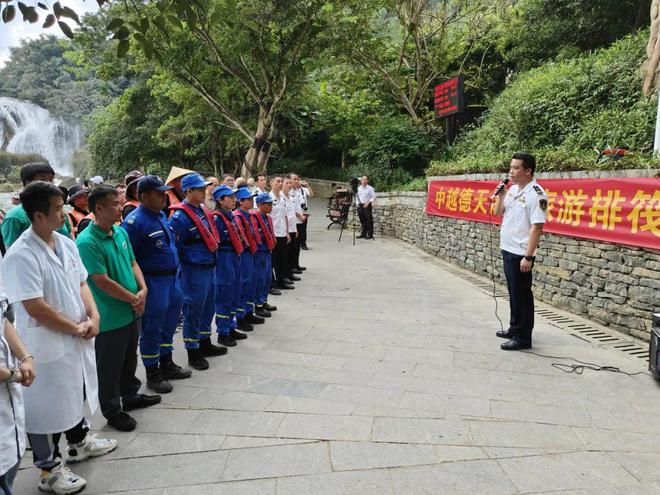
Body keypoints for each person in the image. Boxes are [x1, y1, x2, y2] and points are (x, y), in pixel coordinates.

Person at [0, 181, 116, 495]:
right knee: (45, 409)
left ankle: (78, 443)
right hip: (44, 345)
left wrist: (93, 315)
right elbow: (35, 306)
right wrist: (75, 327)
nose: (64, 213)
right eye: (57, 209)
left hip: (75, 336)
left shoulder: (64, 243)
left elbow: (82, 282)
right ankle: (48, 470)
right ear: (38, 215)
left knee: (73, 393)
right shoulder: (21, 255)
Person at [76, 186, 160, 432]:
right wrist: (133, 297)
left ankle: (130, 395)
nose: (120, 207)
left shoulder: (119, 232)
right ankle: (112, 410)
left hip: (131, 310)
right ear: (99, 208)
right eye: (114, 203)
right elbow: (100, 280)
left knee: (128, 357)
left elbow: (133, 262)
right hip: (110, 315)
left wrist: (142, 289)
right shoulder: (87, 241)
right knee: (109, 365)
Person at [122, 176, 192, 393]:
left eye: (164, 192)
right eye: (159, 193)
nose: (164, 196)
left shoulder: (161, 214)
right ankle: (153, 372)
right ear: (144, 196)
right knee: (153, 326)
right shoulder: (134, 223)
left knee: (170, 323)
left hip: (172, 279)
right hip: (153, 281)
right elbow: (129, 259)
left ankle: (167, 362)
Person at [169, 173, 226, 370]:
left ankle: (204, 341)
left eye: (204, 188)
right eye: (200, 189)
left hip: (209, 266)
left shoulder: (201, 211)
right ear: (188, 191)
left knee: (208, 306)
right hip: (193, 269)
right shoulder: (180, 217)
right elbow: (176, 247)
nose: (204, 192)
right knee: (193, 309)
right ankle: (192, 350)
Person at [493, 152, 548, 351]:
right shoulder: (514, 189)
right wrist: (500, 196)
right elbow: (498, 212)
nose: (511, 171)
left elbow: (537, 227)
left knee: (522, 294)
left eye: (516, 168)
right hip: (507, 247)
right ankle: (514, 327)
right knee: (513, 292)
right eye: (511, 167)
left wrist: (528, 256)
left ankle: (523, 337)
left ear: (528, 170)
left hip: (520, 253)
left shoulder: (537, 194)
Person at [0, 265, 35, 495]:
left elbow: (3, 320)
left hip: (9, 414)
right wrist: (14, 375)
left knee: (9, 466)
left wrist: (25, 356)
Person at [1, 163, 72, 249]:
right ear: (27, 183)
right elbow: (11, 251)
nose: (49, 184)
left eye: (51, 180)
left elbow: (70, 238)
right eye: (43, 179)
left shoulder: (59, 210)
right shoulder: (14, 217)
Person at [212, 185, 249, 347]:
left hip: (235, 256)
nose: (235, 200)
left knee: (235, 292)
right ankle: (223, 332)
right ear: (220, 200)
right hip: (224, 257)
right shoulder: (217, 218)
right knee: (224, 294)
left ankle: (231, 326)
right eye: (230, 197)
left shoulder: (230, 216)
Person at [233, 188, 266, 330]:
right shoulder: (237, 216)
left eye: (251, 198)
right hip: (244, 254)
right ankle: (240, 317)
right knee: (244, 284)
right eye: (248, 199)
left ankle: (248, 311)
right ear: (240, 202)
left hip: (252, 253)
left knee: (252, 283)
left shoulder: (249, 215)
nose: (251, 201)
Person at [251, 193, 278, 317]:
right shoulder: (254, 218)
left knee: (267, 278)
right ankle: (258, 305)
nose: (271, 206)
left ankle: (264, 300)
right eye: (269, 204)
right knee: (260, 278)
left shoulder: (267, 218)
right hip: (260, 252)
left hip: (267, 251)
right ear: (261, 205)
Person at [269, 177, 292, 290]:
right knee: (272, 261)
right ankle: (272, 284)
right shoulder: (268, 198)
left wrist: (287, 232)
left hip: (282, 232)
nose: (280, 183)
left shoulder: (282, 198)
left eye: (281, 182)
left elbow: (285, 216)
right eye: (277, 181)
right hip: (272, 234)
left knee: (282, 259)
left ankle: (281, 281)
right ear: (272, 184)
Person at [282, 178, 301, 283]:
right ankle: (284, 276)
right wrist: (287, 231)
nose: (289, 185)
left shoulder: (290, 196)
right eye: (287, 183)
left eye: (290, 183)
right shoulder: (281, 197)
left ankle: (290, 273)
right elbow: (283, 216)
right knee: (285, 255)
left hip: (293, 228)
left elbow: (292, 213)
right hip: (286, 230)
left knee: (291, 253)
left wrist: (295, 229)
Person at [356, 175, 376, 240]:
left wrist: (368, 202)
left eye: (365, 179)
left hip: (367, 205)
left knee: (369, 220)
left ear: (367, 180)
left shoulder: (370, 188)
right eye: (363, 179)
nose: (364, 181)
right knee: (362, 220)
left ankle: (370, 234)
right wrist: (357, 203)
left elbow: (373, 197)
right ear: (361, 181)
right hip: (360, 205)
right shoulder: (358, 188)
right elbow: (357, 197)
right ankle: (363, 234)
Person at [298, 179, 314, 250]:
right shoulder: (292, 190)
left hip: (304, 211)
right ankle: (296, 243)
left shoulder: (304, 189)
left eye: (298, 180)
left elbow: (311, 195)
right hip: (296, 212)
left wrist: (308, 186)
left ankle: (303, 243)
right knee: (296, 228)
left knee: (303, 229)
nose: (298, 181)